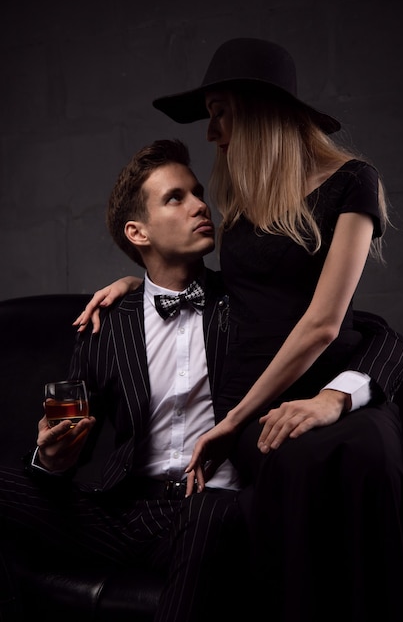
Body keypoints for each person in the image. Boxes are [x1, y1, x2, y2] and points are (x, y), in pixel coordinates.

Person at [74, 38, 403, 621]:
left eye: (219, 112)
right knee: (287, 472)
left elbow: (325, 323)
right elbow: (217, 285)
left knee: (361, 460)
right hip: (259, 407)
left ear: (259, 109)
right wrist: (137, 284)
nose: (213, 134)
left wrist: (316, 403)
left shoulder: (354, 183)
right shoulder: (241, 205)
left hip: (320, 388)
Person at [0, 139, 253, 622]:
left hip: (205, 511)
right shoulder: (107, 321)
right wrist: (51, 458)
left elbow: (354, 328)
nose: (203, 205)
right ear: (137, 232)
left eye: (198, 192)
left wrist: (339, 394)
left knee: (216, 512)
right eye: (175, 197)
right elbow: (68, 424)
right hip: (121, 511)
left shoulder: (244, 303)